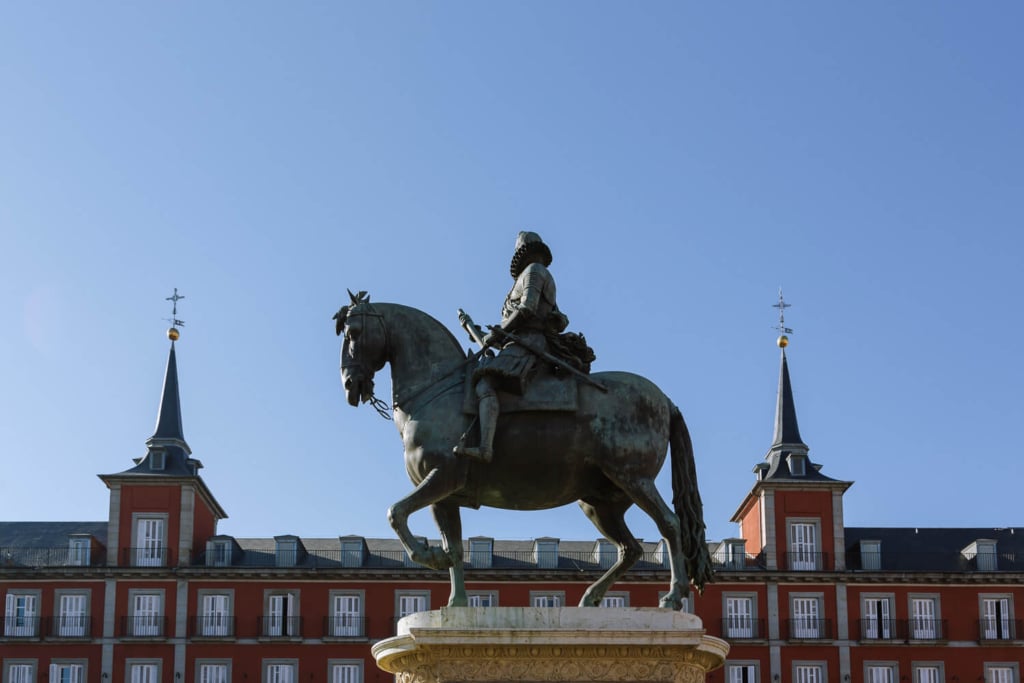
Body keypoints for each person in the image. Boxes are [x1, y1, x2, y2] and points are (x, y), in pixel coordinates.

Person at [455, 232, 569, 463]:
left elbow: (527, 309)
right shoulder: (530, 275)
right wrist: (485, 336)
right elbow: (514, 326)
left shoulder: (534, 271)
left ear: (522, 253)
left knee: (486, 382)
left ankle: (485, 448)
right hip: (517, 343)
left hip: (530, 345)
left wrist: (495, 333)